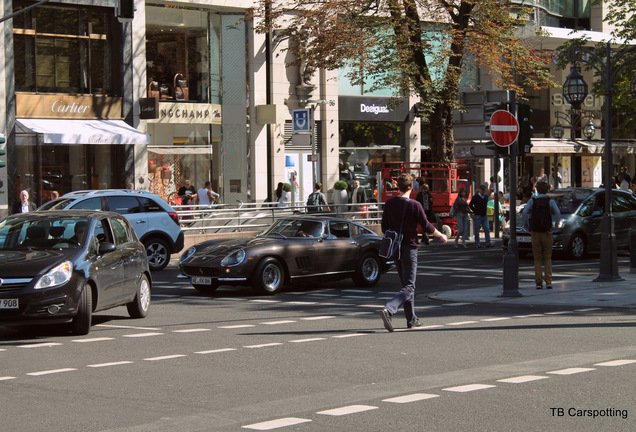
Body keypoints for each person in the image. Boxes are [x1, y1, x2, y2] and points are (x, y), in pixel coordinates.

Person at [378, 174, 447, 332]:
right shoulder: (415, 205)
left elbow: (384, 228)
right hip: (409, 247)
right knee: (409, 286)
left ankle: (412, 319)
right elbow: (427, 226)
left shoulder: (389, 203)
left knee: (406, 286)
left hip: (395, 249)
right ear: (411, 187)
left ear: (398, 187)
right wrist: (441, 235)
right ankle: (389, 309)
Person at [522, 181, 561, 290]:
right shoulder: (550, 201)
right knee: (547, 257)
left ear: (537, 190)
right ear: (547, 190)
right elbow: (557, 213)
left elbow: (525, 213)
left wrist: (527, 227)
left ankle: (538, 282)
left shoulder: (532, 201)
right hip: (547, 232)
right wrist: (555, 227)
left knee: (537, 259)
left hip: (535, 232)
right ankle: (548, 281)